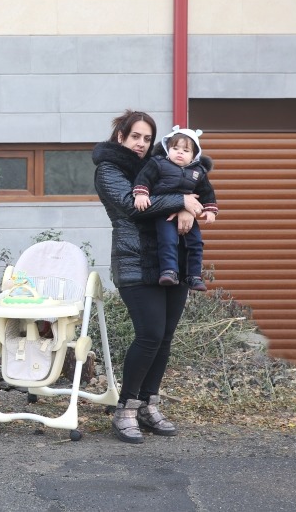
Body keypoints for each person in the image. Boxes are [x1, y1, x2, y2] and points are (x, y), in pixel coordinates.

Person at [92, 110, 202, 445]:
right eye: (135, 136)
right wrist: (182, 200)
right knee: (150, 334)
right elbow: (131, 204)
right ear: (121, 137)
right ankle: (125, 409)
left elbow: (194, 192)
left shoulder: (161, 166)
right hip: (136, 263)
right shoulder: (109, 169)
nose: (141, 144)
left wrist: (186, 206)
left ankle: (148, 404)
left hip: (173, 261)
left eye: (147, 138)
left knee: (165, 337)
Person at [132, 126, 218, 292]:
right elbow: (144, 179)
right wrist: (141, 194)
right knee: (168, 240)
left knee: (196, 243)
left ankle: (194, 276)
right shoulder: (158, 164)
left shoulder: (198, 172)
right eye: (175, 148)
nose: (179, 152)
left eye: (185, 150)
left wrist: (210, 209)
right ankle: (169, 271)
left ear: (194, 155)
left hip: (189, 215)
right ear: (167, 149)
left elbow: (206, 192)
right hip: (164, 213)